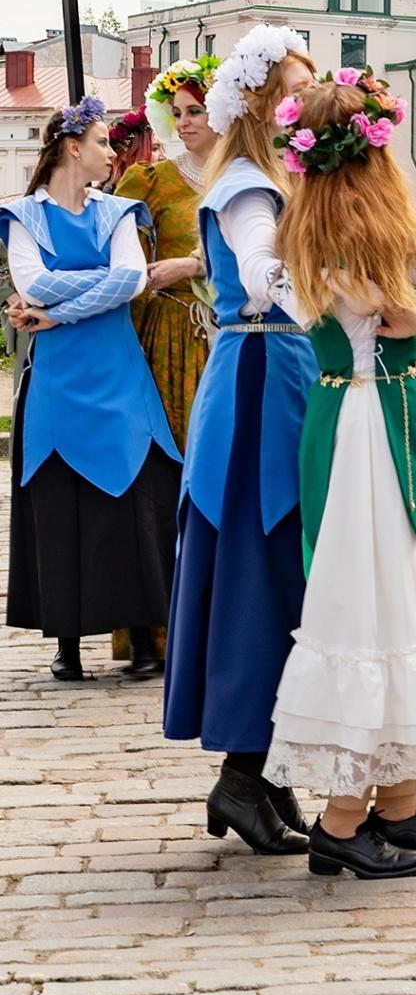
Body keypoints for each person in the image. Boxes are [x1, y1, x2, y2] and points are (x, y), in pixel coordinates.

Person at [262, 71, 416, 880]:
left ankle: (395, 805)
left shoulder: (301, 238)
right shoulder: (379, 241)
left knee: (383, 604)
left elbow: (300, 296)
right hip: (379, 428)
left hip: (343, 418)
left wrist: (412, 305)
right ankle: (341, 819)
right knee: (377, 608)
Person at [164, 26, 319, 857]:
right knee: (261, 559)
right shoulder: (248, 186)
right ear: (262, 103)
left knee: (283, 561)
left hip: (278, 367)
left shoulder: (272, 177)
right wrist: (340, 296)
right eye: (294, 87)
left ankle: (265, 766)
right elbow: (267, 271)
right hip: (261, 370)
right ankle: (242, 767)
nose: (306, 101)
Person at [3, 98, 181, 685]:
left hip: (118, 376)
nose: (114, 153)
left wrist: (56, 315)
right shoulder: (22, 215)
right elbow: (32, 280)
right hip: (57, 383)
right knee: (61, 508)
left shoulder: (122, 212)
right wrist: (90, 291)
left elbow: (131, 279)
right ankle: (68, 643)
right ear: (72, 147)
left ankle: (145, 639)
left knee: (132, 506)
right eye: (105, 142)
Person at [105, 62, 220, 674]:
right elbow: (106, 247)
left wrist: (199, 265)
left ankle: (222, 628)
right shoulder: (152, 180)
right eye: (177, 113)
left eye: (196, 111)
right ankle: (157, 631)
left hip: (235, 337)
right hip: (170, 339)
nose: (185, 123)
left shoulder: (255, 176)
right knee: (167, 476)